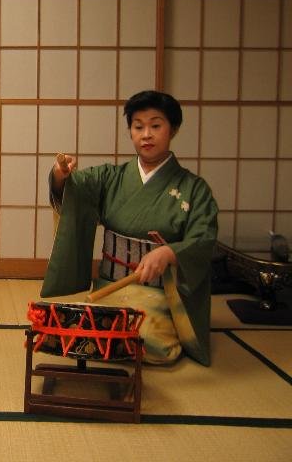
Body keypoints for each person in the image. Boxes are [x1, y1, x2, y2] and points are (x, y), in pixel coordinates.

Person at [41, 90, 218, 365]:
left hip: (159, 294)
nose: (146, 134)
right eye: (138, 127)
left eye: (155, 126)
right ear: (130, 131)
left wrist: (169, 253)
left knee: (142, 340)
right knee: (75, 329)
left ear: (173, 129)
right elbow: (75, 189)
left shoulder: (194, 189)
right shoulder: (112, 177)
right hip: (110, 287)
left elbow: (203, 238)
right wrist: (60, 175)